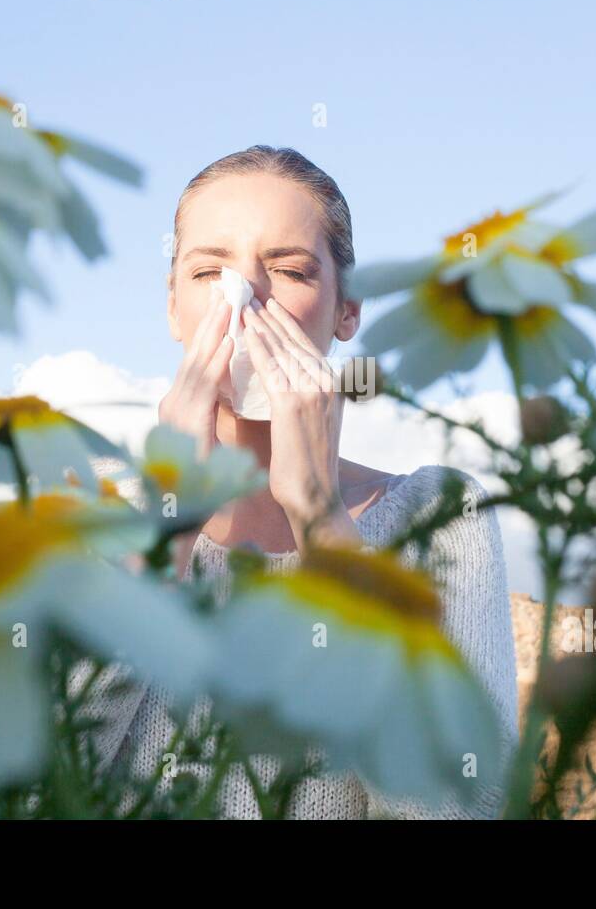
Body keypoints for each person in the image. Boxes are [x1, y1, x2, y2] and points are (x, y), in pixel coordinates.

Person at [83, 145, 518, 818]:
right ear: (172, 308)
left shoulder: (440, 517)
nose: (242, 296)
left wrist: (321, 519)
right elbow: (26, 783)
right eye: (209, 271)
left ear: (347, 310)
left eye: (287, 270)